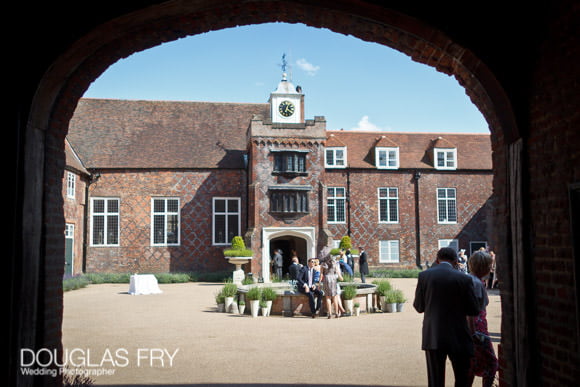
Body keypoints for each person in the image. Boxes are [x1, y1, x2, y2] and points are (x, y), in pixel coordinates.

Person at [413, 247, 481, 387]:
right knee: (462, 379)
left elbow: (419, 307)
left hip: (433, 335)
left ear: (437, 260)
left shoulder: (424, 276)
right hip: (458, 334)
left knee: (435, 381)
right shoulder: (464, 279)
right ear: (456, 261)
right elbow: (474, 310)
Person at [466, 250, 498, 387]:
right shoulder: (477, 284)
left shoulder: (469, 279)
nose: (491, 269)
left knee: (472, 365)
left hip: (472, 329)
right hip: (478, 329)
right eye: (489, 266)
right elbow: (471, 310)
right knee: (492, 364)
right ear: (483, 266)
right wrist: (474, 333)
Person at [321, 253, 344, 318]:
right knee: (335, 297)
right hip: (333, 279)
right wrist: (341, 278)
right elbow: (338, 274)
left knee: (327, 297)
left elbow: (321, 275)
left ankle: (329, 313)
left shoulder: (323, 264)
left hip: (326, 279)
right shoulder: (335, 264)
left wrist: (320, 283)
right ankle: (336, 313)